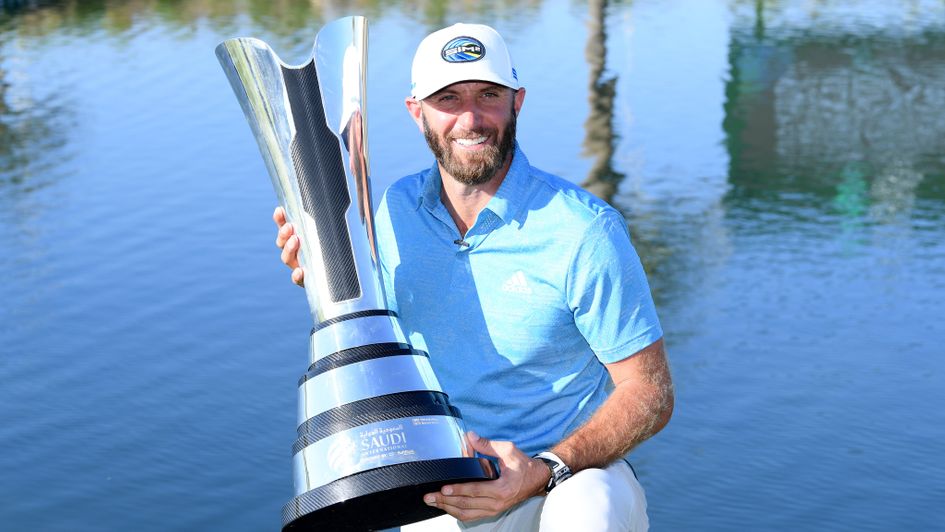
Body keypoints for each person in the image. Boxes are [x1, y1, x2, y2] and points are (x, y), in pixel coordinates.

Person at [274, 23, 673, 531]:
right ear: (417, 111)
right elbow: (378, 328)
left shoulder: (584, 231)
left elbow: (650, 391)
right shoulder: (396, 211)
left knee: (589, 509)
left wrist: (544, 468)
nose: (470, 117)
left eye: (489, 95)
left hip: (567, 479)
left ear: (517, 102)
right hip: (444, 483)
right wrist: (328, 279)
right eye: (448, 98)